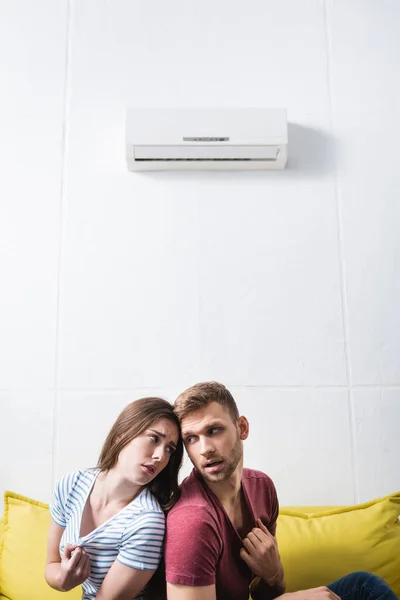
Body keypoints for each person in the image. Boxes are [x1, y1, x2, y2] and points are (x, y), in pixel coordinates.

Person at [164, 382, 397, 600]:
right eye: (192, 439)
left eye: (214, 430)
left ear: (242, 428)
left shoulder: (261, 488)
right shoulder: (192, 522)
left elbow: (266, 593)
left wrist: (274, 574)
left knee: (362, 586)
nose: (205, 449)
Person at [45, 397, 183, 600]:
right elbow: (51, 565)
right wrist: (63, 579)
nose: (161, 456)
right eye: (154, 439)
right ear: (121, 435)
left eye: (169, 449)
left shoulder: (147, 522)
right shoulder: (72, 485)